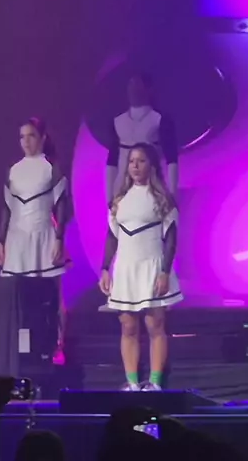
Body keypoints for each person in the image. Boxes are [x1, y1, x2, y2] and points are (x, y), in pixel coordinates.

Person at [99, 142, 182, 391]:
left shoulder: (162, 199)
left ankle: (155, 383)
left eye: (141, 161)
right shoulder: (119, 200)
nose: (135, 166)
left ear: (152, 166)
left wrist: (165, 272)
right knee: (128, 327)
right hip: (125, 269)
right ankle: (132, 383)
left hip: (152, 267)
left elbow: (171, 239)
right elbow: (112, 236)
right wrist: (105, 268)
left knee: (155, 326)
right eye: (132, 161)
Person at [0, 118, 70, 365]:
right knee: (20, 299)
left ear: (42, 138)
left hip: (43, 236)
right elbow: (7, 208)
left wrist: (59, 238)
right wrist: (0, 240)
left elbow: (62, 205)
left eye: (31, 136)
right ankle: (22, 350)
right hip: (17, 239)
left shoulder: (51, 168)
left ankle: (56, 346)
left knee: (51, 295)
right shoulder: (14, 170)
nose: (26, 141)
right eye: (22, 137)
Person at [105, 74, 179, 206]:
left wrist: (172, 194)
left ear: (149, 89)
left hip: (151, 188)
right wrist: (109, 196)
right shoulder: (117, 122)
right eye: (130, 85)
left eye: (137, 85)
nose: (132, 89)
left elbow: (171, 159)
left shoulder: (160, 120)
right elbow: (112, 161)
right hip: (122, 190)